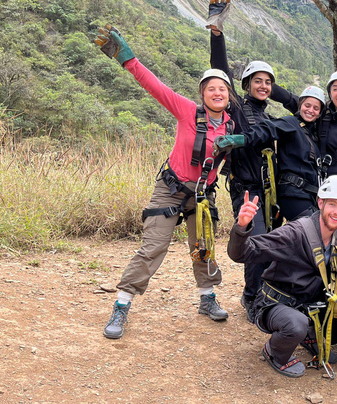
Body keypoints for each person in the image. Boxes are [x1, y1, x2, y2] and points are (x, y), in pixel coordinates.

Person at [94, 25, 233, 340]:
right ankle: (122, 304)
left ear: (228, 95)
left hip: (202, 194)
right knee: (153, 246)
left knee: (204, 247)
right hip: (170, 188)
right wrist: (128, 59)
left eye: (222, 89)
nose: (217, 93)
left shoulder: (232, 127)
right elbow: (154, 86)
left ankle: (207, 299)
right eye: (211, 88)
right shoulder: (187, 111)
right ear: (202, 93)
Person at [227, 176, 337, 378]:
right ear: (320, 202)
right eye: (332, 204)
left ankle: (311, 336)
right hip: (276, 306)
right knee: (296, 324)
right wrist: (242, 228)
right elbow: (244, 253)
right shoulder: (295, 233)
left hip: (313, 305)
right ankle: (275, 352)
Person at [206, 0, 296, 321]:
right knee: (256, 242)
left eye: (268, 82)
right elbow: (220, 73)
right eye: (257, 81)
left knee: (268, 246)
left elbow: (302, 111)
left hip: (271, 192)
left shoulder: (271, 117)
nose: (263, 85)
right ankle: (251, 298)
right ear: (246, 84)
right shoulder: (237, 108)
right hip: (246, 188)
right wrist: (217, 33)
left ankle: (258, 294)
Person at [213, 85, 326, 222]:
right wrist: (240, 139)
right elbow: (266, 130)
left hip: (308, 196)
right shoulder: (291, 123)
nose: (310, 110)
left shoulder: (313, 134)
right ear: (300, 105)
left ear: (320, 113)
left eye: (316, 108)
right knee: (314, 230)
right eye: (307, 105)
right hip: (293, 195)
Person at [270, 64, 337, 181]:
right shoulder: (322, 113)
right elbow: (291, 100)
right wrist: (267, 87)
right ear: (330, 93)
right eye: (335, 89)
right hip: (313, 181)